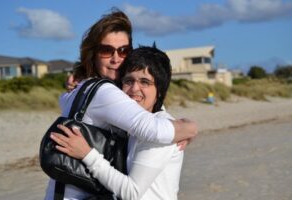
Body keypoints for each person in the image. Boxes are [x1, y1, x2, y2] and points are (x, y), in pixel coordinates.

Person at [44, 8, 197, 200]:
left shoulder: (84, 86)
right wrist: (189, 128)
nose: (116, 58)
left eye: (123, 50)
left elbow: (63, 99)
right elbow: (154, 129)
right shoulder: (106, 93)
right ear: (94, 53)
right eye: (107, 50)